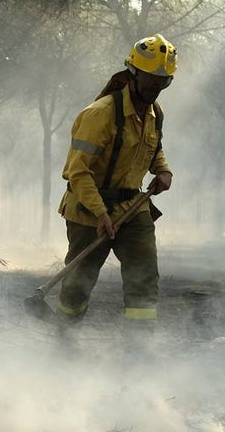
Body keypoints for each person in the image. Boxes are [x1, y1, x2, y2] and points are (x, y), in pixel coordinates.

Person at [55, 34, 176, 336]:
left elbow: (153, 147)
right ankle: (64, 338)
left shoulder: (153, 113)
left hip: (133, 207)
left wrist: (162, 169)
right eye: (151, 81)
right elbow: (77, 172)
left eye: (164, 82)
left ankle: (139, 347)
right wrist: (100, 214)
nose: (156, 89)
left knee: (144, 276)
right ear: (133, 74)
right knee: (78, 283)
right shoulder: (100, 115)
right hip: (88, 209)